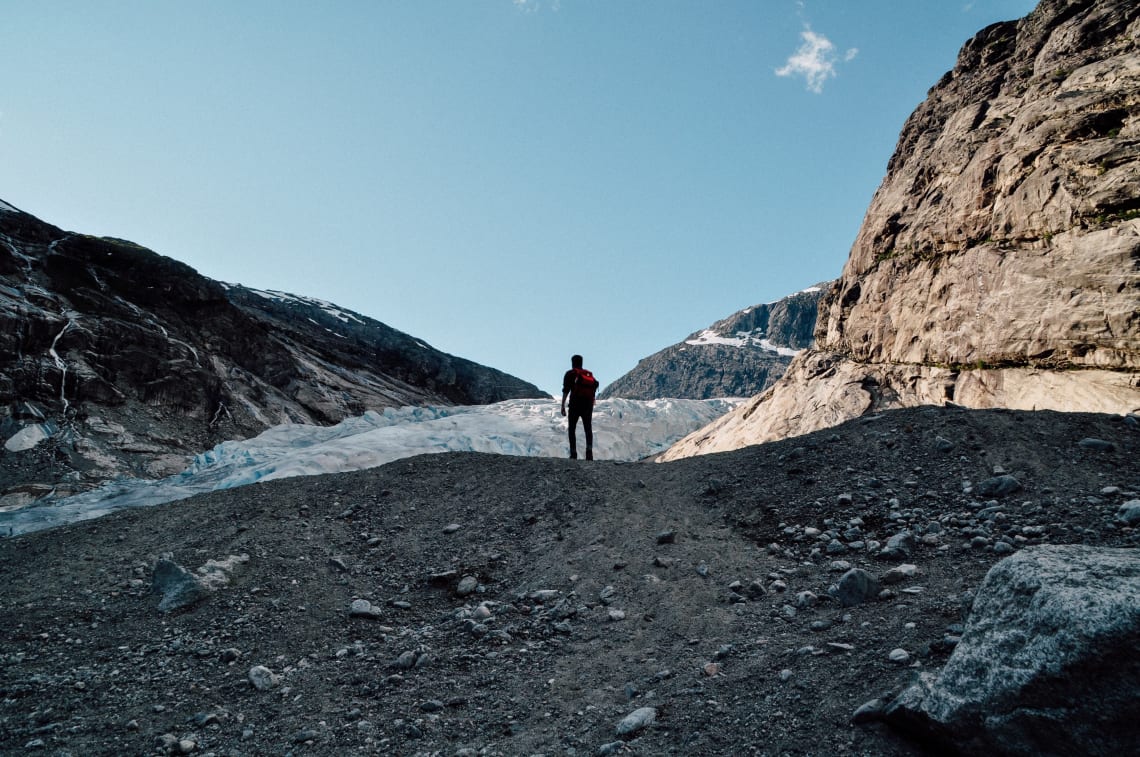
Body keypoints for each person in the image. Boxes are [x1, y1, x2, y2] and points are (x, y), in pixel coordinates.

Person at [561, 354, 598, 460]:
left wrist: (563, 405)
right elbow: (595, 385)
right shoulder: (588, 375)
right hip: (587, 405)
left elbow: (566, 390)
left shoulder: (570, 374)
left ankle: (573, 453)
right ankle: (589, 453)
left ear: (572, 362)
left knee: (572, 428)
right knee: (588, 428)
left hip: (575, 404)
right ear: (582, 362)